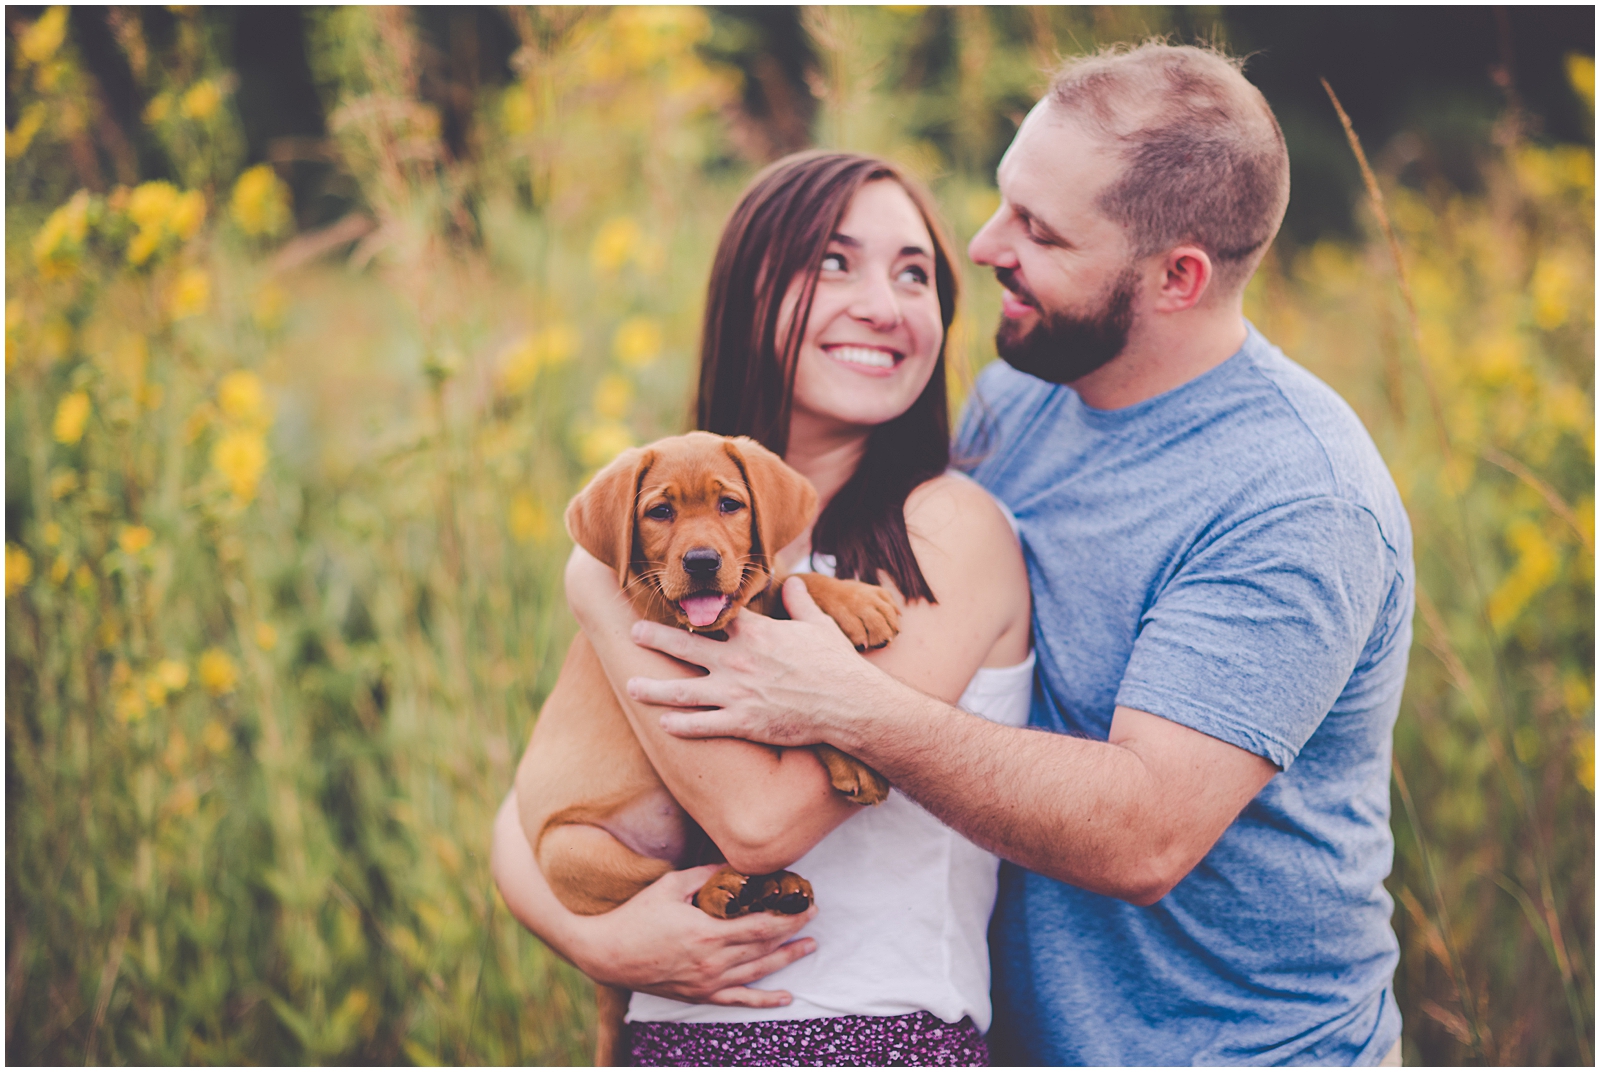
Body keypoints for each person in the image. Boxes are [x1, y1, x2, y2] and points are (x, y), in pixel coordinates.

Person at [625, 42, 1414, 1067]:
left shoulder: (1296, 495)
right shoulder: (1024, 392)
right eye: (1005, 201)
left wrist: (845, 707)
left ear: (1176, 277)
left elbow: (1144, 834)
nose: (985, 245)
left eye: (1038, 231)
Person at [491, 150, 1033, 1065]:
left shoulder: (947, 530)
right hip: (665, 1040)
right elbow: (527, 810)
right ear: (747, 294)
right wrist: (594, 941)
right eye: (833, 262)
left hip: (866, 1036)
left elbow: (762, 823)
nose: (883, 302)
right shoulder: (658, 535)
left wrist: (595, 590)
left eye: (916, 274)